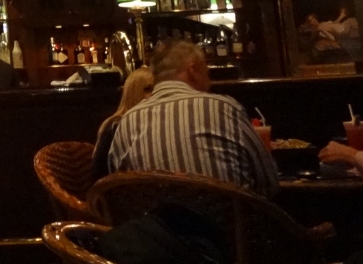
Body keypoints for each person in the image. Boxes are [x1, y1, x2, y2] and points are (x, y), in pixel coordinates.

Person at [108, 40, 278, 197]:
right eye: (207, 73)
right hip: (228, 219)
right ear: (192, 70)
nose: (209, 81)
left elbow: (118, 189)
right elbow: (268, 182)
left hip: (153, 219)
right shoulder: (224, 107)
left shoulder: (127, 121)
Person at [93, 68, 155, 178]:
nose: (155, 94)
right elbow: (101, 172)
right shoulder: (116, 125)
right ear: (135, 92)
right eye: (150, 90)